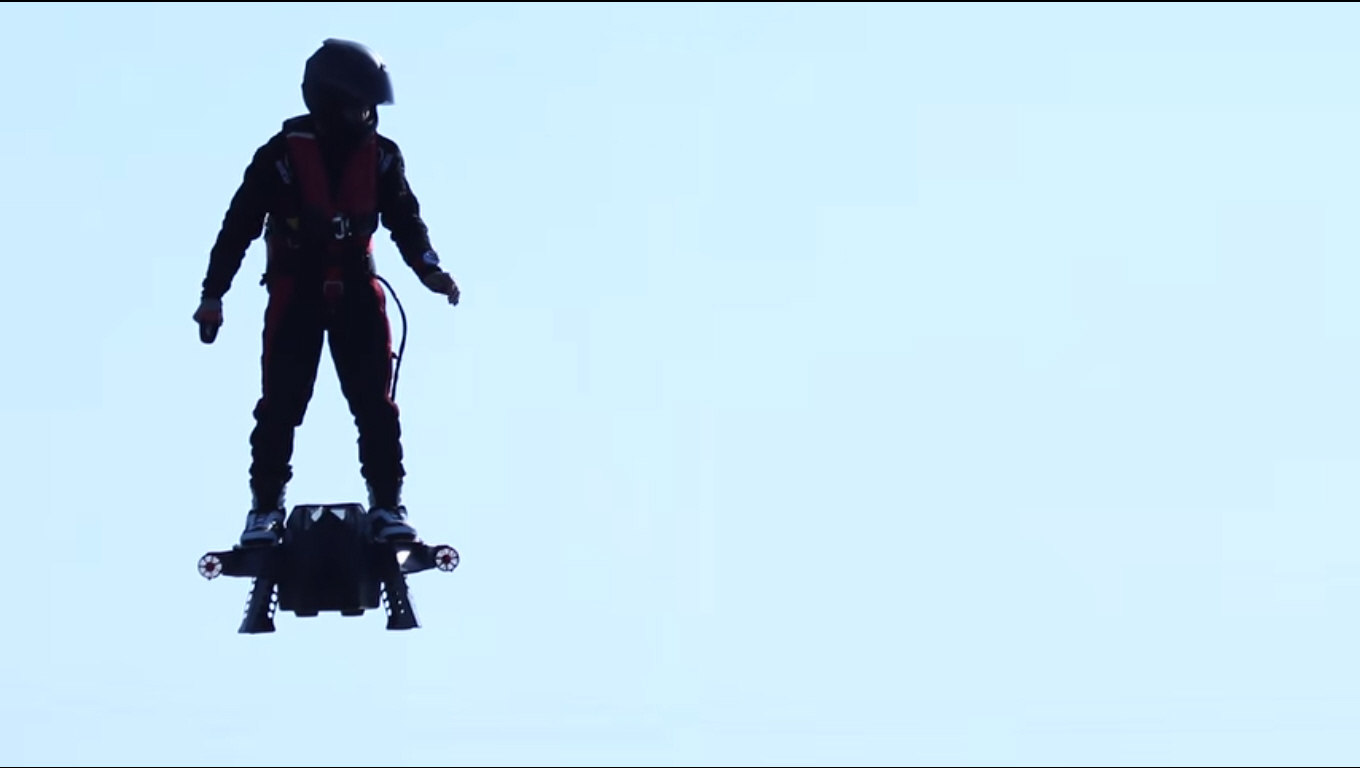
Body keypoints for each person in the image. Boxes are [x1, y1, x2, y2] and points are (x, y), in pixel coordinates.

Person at [192, 38, 460, 547]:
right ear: (330, 103)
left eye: (371, 108)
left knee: (376, 406)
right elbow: (238, 226)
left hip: (359, 291)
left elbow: (406, 219)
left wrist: (430, 269)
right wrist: (214, 293)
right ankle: (265, 510)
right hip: (297, 293)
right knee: (280, 405)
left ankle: (387, 505)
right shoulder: (280, 158)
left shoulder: (382, 159)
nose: (367, 117)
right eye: (360, 106)